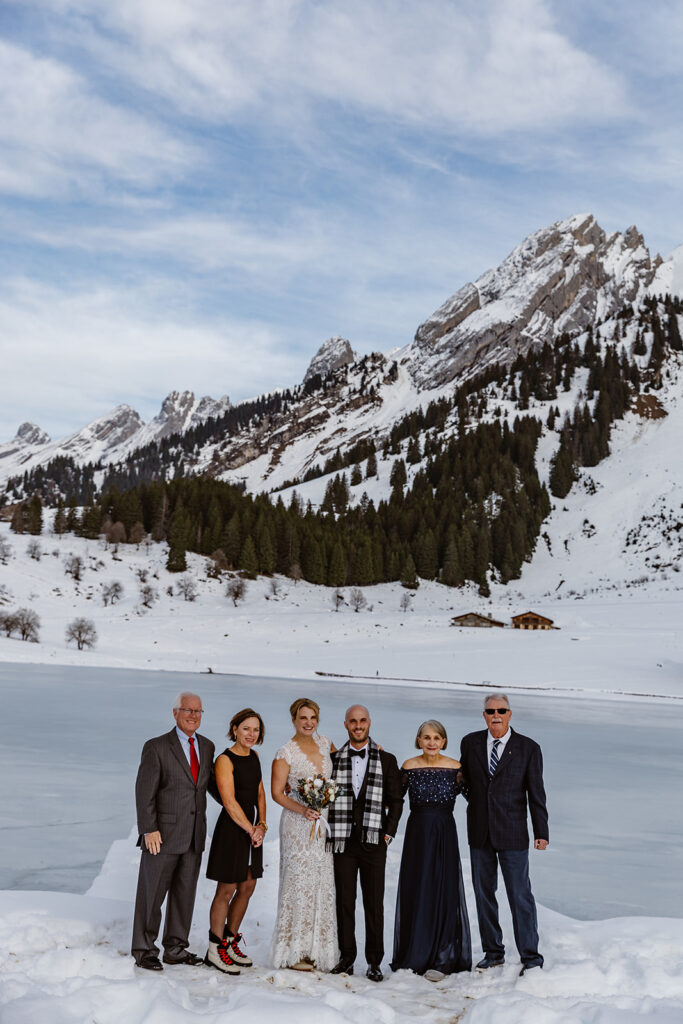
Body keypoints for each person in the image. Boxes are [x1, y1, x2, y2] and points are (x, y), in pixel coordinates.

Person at [459, 693, 549, 976]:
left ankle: (531, 956)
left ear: (510, 714)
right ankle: (493, 952)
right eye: (490, 711)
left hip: (513, 833)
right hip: (479, 832)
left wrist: (541, 831)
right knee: (484, 893)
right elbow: (466, 782)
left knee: (520, 894)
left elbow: (536, 793)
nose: (495, 715)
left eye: (501, 710)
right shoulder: (470, 742)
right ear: (483, 715)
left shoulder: (528, 748)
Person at [131, 692, 215, 970]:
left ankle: (176, 948)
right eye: (187, 710)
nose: (193, 715)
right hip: (162, 836)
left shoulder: (207, 747)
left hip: (193, 836)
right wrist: (148, 829)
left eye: (198, 711)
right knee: (151, 894)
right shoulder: (156, 747)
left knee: (184, 894)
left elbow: (210, 787)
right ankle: (144, 949)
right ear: (175, 713)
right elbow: (144, 793)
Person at [328, 703, 403, 983]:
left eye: (362, 721)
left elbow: (396, 800)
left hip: (374, 842)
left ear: (369, 723)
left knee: (374, 904)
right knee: (345, 902)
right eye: (352, 722)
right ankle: (346, 958)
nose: (358, 726)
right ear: (345, 725)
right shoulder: (333, 759)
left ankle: (374, 962)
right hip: (343, 842)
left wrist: (389, 832)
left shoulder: (387, 760)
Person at [391, 720, 471, 980]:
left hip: (445, 832)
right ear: (419, 740)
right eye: (426, 737)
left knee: (444, 889)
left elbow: (478, 797)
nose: (431, 742)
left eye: (437, 737)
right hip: (417, 834)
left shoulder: (456, 768)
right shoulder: (409, 767)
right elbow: (393, 798)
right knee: (419, 888)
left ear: (444, 741)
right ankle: (415, 954)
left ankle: (443, 958)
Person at [270, 698, 339, 972]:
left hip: (323, 823)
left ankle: (318, 950)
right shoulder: (285, 752)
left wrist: (375, 750)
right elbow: (277, 793)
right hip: (297, 825)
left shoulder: (326, 744)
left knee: (321, 881)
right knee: (298, 883)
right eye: (303, 718)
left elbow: (345, 761)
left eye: (312, 718)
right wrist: (302, 809)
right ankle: (295, 951)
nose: (308, 722)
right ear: (294, 720)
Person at [205, 708, 267, 975]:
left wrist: (262, 825)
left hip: (253, 830)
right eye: (246, 729)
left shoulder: (254, 756)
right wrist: (250, 829)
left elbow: (260, 793)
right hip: (232, 830)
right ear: (234, 729)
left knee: (248, 886)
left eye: (255, 729)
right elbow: (229, 802)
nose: (251, 734)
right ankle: (214, 948)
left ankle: (230, 941)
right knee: (226, 889)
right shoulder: (224, 759)